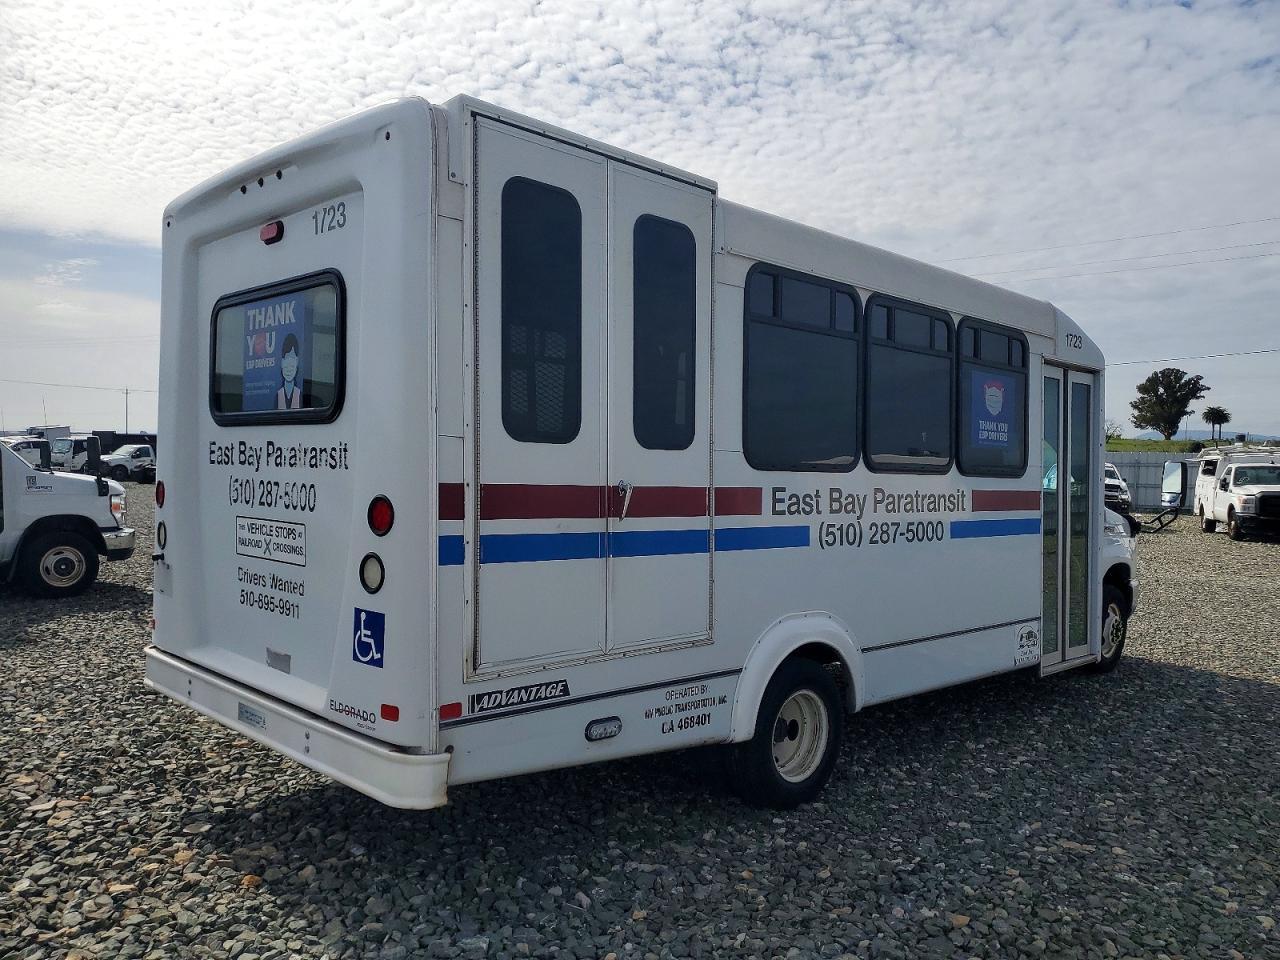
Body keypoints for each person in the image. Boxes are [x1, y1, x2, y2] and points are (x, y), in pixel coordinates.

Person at [276, 333, 304, 410]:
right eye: (287, 357)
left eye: (292, 357)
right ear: (282, 362)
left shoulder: (300, 394)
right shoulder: (278, 395)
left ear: (297, 362)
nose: (289, 367)